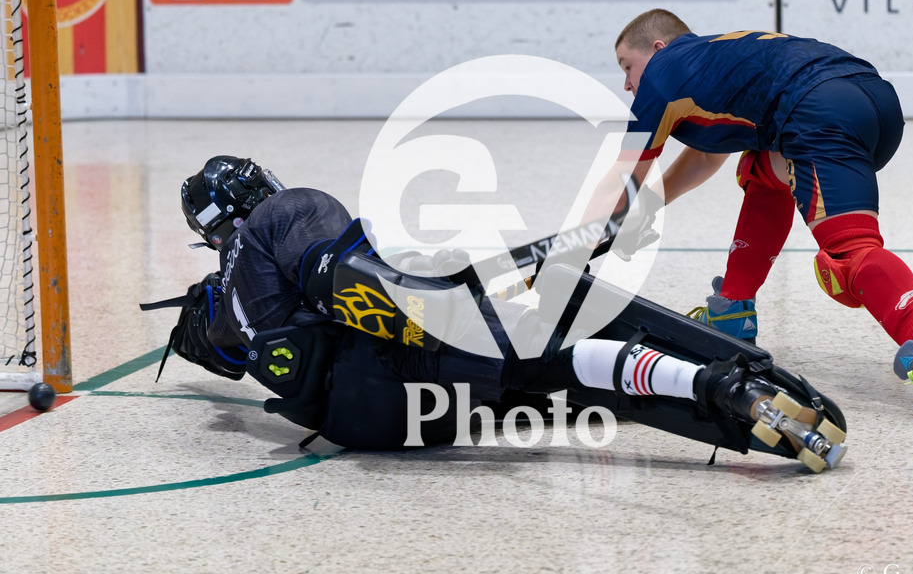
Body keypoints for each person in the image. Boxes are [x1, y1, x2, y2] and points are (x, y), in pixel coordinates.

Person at [146, 155, 848, 472]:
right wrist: (451, 303)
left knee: (539, 374)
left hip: (372, 431)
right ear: (254, 191)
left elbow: (233, 349)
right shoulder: (281, 212)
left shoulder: (218, 301)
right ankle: (715, 386)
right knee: (549, 339)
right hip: (390, 365)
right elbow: (350, 286)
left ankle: (643, 385)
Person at [593, 8, 913, 424]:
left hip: (817, 110)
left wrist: (581, 240)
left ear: (658, 48)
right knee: (759, 170)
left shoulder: (662, 73)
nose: (627, 82)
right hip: (873, 100)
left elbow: (626, 172)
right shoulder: (712, 61)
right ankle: (732, 312)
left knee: (848, 252)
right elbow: (705, 158)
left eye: (627, 66)